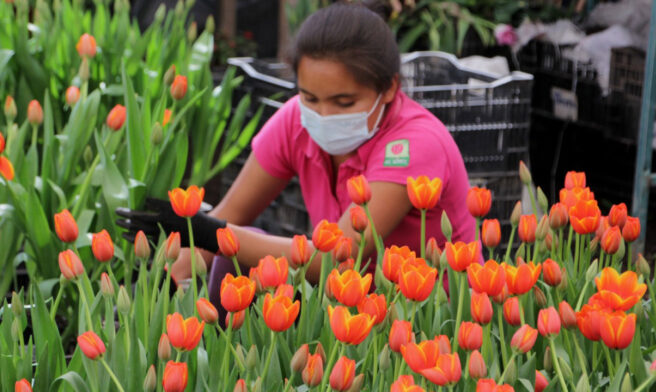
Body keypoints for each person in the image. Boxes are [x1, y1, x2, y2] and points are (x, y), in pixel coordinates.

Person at [117, 2, 477, 317]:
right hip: (342, 302)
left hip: (425, 316)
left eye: (344, 102)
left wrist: (209, 232)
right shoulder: (297, 119)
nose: (323, 114)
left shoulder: (415, 144)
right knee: (232, 258)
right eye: (310, 97)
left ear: (389, 89)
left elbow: (338, 257)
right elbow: (230, 216)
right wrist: (164, 282)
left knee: (238, 248)